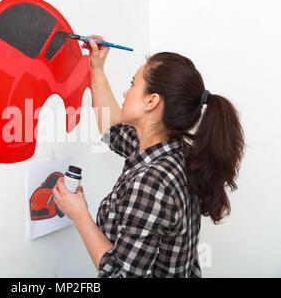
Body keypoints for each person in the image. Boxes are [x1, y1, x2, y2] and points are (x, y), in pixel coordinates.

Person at [52, 36, 245, 277]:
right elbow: (113, 130)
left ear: (152, 101)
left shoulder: (152, 182)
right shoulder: (169, 151)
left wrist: (80, 216)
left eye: (132, 84)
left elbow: (121, 276)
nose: (125, 92)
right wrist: (97, 68)